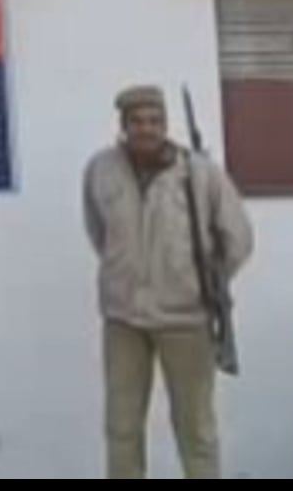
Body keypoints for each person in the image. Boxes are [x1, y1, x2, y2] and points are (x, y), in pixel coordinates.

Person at [84, 85, 254, 480]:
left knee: (196, 432)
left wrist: (203, 283)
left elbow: (238, 238)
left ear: (165, 124)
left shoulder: (199, 173)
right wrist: (123, 271)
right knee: (121, 429)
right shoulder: (101, 170)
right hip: (124, 319)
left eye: (154, 121)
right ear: (124, 125)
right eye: (137, 121)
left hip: (185, 320)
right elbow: (99, 232)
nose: (146, 129)